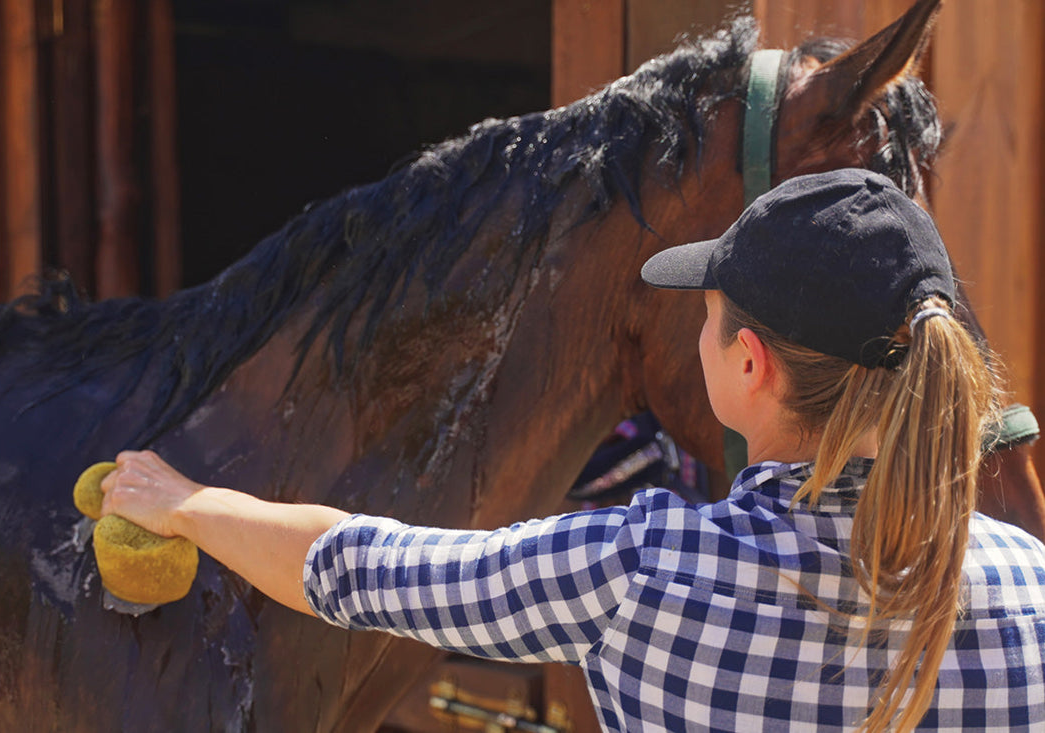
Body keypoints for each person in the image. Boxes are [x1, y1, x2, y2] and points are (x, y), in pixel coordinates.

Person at [101, 169, 1045, 732]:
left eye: (709, 320)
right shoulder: (1033, 589)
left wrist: (180, 501)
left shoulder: (644, 570)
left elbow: (353, 566)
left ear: (749, 363)